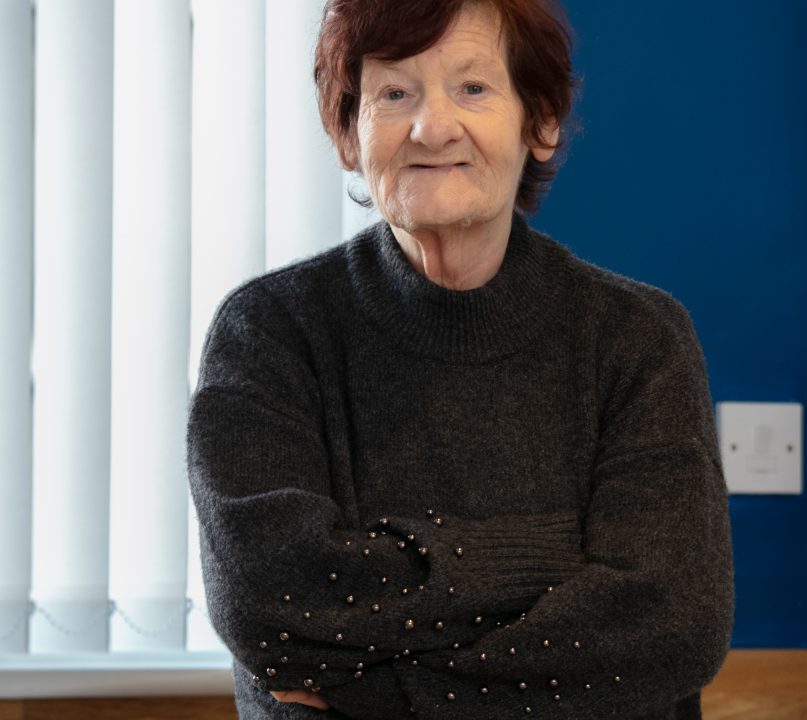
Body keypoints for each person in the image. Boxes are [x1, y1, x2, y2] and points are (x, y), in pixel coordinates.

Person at [185, 0, 735, 718]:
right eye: (394, 93)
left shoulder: (639, 338)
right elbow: (270, 601)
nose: (431, 127)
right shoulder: (268, 333)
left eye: (472, 88)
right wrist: (550, 557)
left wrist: (377, 691)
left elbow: (670, 624)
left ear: (540, 123)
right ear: (348, 134)